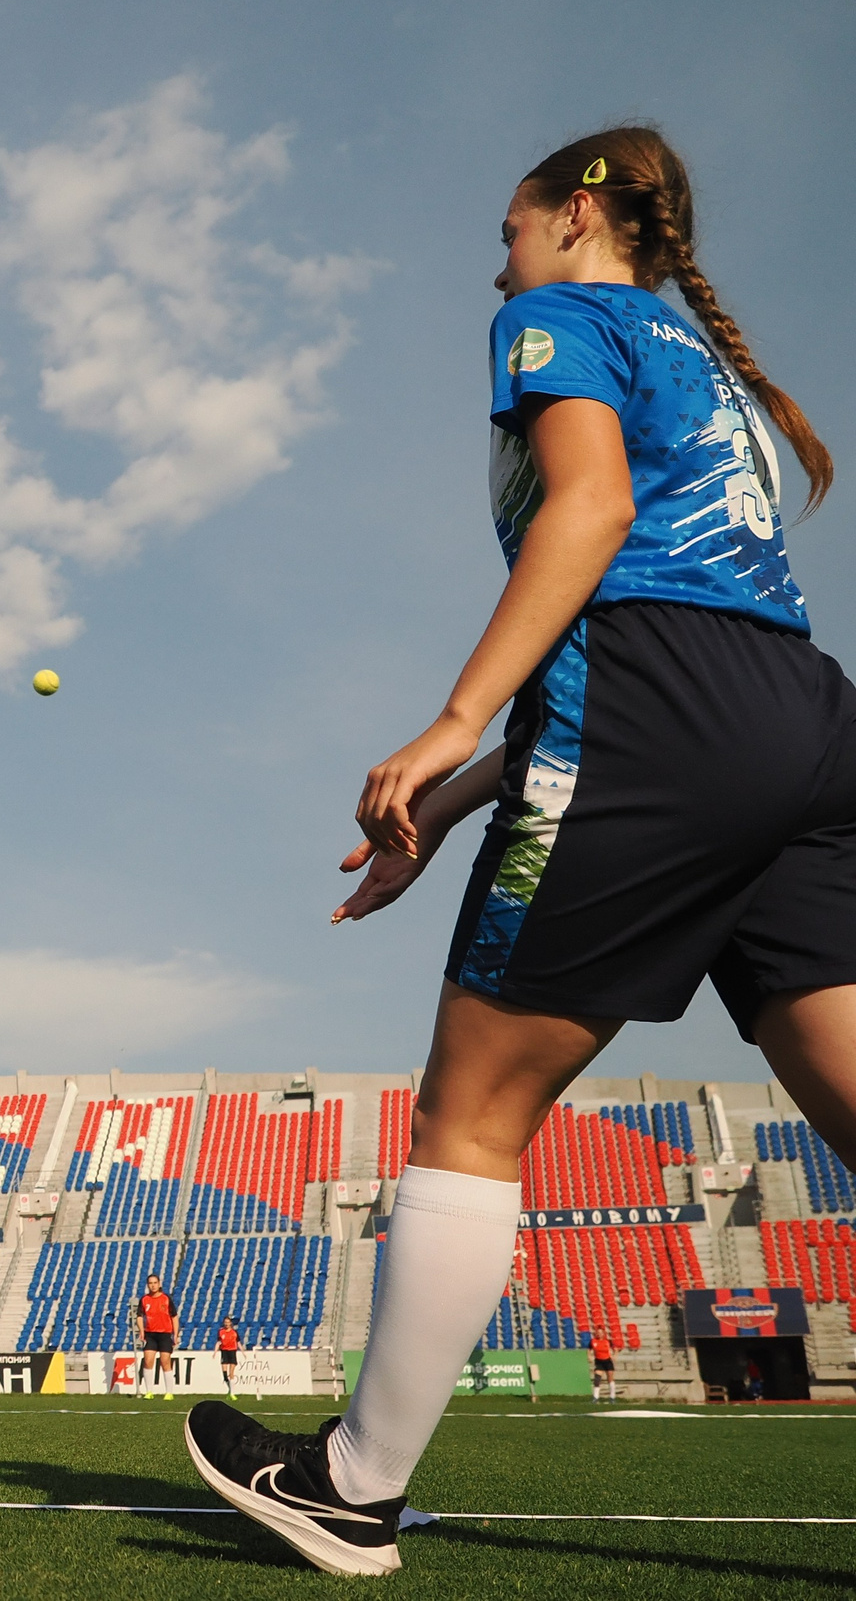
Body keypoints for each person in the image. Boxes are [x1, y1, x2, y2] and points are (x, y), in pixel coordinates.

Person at [183, 126, 842, 1578]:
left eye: (512, 224)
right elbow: (673, 678)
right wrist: (476, 793)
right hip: (803, 719)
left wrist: (446, 722)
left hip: (656, 709)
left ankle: (351, 1485)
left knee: (472, 1119)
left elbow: (597, 520)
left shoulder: (557, 312)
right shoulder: (711, 363)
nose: (498, 258)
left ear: (578, 211)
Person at [134, 1273, 179, 1399]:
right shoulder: (144, 1300)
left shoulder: (166, 1298)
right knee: (148, 1361)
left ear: (159, 1284)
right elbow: (139, 1316)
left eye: (155, 1283)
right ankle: (149, 1392)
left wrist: (175, 1334)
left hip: (165, 1334)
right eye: (150, 1283)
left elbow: (174, 1317)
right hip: (150, 1335)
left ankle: (169, 1392)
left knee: (165, 1362)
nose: (153, 1285)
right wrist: (141, 1330)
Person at [216, 1316, 242, 1398]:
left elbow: (238, 1342)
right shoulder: (221, 1332)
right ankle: (230, 1391)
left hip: (232, 1351)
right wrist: (215, 1351)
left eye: (228, 1322)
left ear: (230, 1323)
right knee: (224, 1373)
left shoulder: (234, 1332)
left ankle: (232, 1393)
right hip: (224, 1352)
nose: (226, 1324)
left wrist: (243, 1352)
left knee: (231, 1373)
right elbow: (219, 1342)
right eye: (225, 1322)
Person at [589, 1330, 616, 1403]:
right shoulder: (593, 1341)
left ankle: (612, 1397)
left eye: (601, 1333)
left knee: (610, 1377)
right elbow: (589, 1349)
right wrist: (589, 1356)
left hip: (607, 1361)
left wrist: (614, 1355)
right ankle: (595, 1397)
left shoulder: (607, 1341)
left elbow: (615, 1349)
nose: (599, 1334)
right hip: (599, 1361)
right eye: (598, 1332)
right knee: (597, 1379)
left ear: (604, 1334)